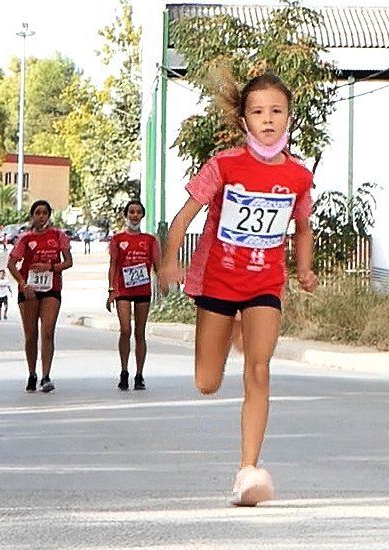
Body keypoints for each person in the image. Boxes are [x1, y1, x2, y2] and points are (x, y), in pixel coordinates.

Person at [158, 72, 317, 507]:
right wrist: (170, 259)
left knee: (260, 370)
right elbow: (185, 215)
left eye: (276, 111)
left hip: (265, 284)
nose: (268, 119)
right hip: (218, 282)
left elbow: (302, 228)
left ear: (288, 118)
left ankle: (248, 469)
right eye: (258, 112)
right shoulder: (224, 165)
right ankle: (230, 330)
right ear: (245, 121)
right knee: (208, 382)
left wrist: (303, 269)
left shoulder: (299, 177)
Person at [7, 200, 73, 393]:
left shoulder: (58, 236)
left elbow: (68, 262)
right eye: (38, 213)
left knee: (48, 331)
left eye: (45, 213)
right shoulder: (25, 239)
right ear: (32, 215)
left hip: (51, 287)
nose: (41, 216)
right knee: (31, 334)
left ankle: (45, 375)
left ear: (49, 215)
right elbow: (11, 264)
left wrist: (51, 267)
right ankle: (31, 373)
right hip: (29, 289)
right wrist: (22, 283)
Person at [106, 200, 160, 391]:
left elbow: (157, 265)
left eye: (138, 212)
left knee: (139, 332)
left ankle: (139, 374)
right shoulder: (118, 239)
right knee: (125, 330)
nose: (135, 215)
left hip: (143, 290)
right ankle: (123, 370)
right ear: (126, 215)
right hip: (123, 290)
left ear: (142, 215)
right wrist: (111, 290)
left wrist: (163, 282)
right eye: (131, 212)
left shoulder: (150, 240)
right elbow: (113, 264)